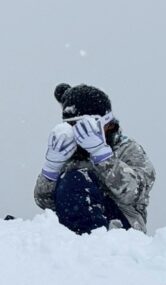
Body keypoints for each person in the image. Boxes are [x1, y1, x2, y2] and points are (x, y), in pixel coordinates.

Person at [34, 83, 155, 234]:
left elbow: (133, 193)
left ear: (106, 123)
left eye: (82, 125)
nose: (78, 132)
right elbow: (45, 202)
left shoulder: (128, 149)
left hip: (122, 229)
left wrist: (102, 155)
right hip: (75, 226)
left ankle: (94, 238)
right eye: (71, 126)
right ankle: (79, 237)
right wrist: (51, 168)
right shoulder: (70, 154)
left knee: (76, 179)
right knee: (71, 180)